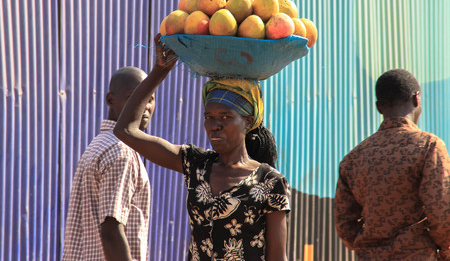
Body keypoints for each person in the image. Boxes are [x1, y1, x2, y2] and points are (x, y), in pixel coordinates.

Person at [114, 34, 291, 261]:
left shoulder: (271, 182)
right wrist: (160, 71)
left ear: (247, 122)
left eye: (225, 117)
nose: (214, 125)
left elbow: (278, 257)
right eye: (209, 116)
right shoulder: (196, 164)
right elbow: (125, 130)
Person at [334, 69, 450, 260]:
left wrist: (370, 245)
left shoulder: (353, 159)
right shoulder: (429, 146)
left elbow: (345, 226)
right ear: (416, 99)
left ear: (379, 107)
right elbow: (441, 211)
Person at [62, 67, 154, 261]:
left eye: (150, 98)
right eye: (134, 97)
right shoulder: (122, 152)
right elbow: (111, 231)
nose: (144, 105)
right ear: (110, 100)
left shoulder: (99, 144)